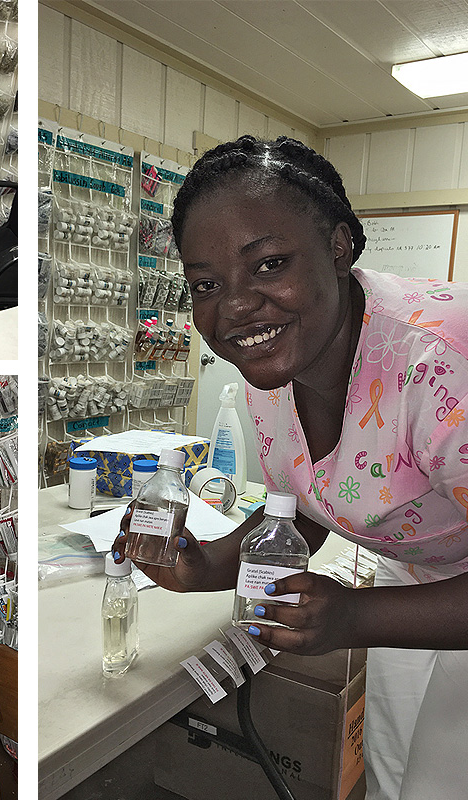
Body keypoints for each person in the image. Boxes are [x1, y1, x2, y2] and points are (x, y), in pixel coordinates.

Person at [114, 135, 468, 800]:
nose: (237, 306)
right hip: (413, 571)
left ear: (338, 247)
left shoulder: (440, 364)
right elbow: (298, 512)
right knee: (391, 776)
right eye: (207, 285)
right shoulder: (272, 366)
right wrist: (199, 567)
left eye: (269, 264)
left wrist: (353, 619)